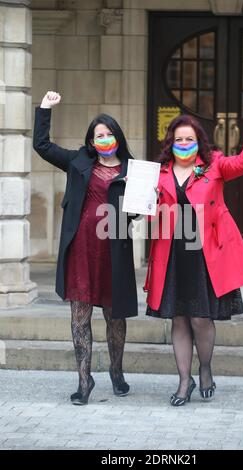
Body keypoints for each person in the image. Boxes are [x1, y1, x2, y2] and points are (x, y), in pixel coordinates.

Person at [144, 106, 243, 406]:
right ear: (170, 141)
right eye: (178, 139)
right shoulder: (157, 172)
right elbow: (148, 214)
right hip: (172, 253)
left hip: (205, 254)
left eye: (190, 138)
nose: (184, 144)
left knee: (200, 317)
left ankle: (206, 368)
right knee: (179, 319)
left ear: (199, 141)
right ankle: (184, 381)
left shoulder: (215, 165)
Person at [33, 91, 138, 405]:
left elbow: (138, 209)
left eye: (109, 134)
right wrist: (45, 109)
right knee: (79, 315)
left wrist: (142, 207)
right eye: (99, 136)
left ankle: (116, 372)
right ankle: (84, 380)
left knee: (114, 316)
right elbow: (42, 146)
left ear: (117, 137)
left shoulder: (134, 169)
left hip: (114, 252)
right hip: (81, 248)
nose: (105, 139)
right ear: (92, 142)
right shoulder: (78, 161)